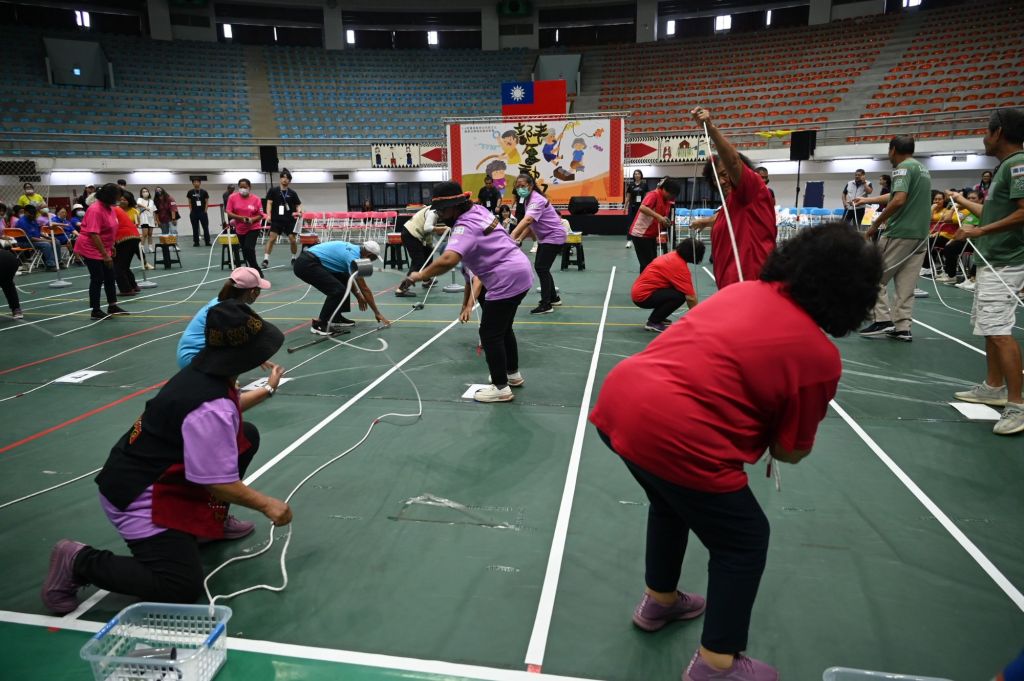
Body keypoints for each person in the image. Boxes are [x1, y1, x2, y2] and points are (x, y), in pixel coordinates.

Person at [589, 222, 883, 681]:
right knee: (744, 541)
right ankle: (716, 663)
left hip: (619, 405)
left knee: (668, 504)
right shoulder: (819, 358)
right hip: (678, 436)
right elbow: (789, 452)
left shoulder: (740, 292)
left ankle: (660, 601)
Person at [40, 301, 291, 613]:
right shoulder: (211, 403)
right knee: (179, 586)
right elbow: (219, 483)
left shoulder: (203, 376)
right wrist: (268, 504)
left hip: (151, 473)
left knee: (246, 436)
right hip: (139, 495)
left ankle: (206, 525)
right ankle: (78, 561)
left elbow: (224, 413)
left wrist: (267, 390)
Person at [404, 182, 533, 403]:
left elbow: (448, 259)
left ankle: (501, 388)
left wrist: (420, 275)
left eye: (442, 210)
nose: (440, 215)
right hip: (520, 272)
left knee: (490, 334)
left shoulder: (465, 225)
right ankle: (512, 375)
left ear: (455, 206)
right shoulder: (479, 210)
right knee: (503, 329)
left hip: (505, 279)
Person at [947, 107, 1024, 436]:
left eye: (986, 131)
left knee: (999, 331)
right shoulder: (1006, 167)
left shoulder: (1018, 164)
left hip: (1005, 261)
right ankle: (993, 387)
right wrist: (961, 201)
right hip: (994, 260)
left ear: (999, 132)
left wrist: (979, 231)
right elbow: (993, 213)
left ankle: (1017, 405)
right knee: (990, 328)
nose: (983, 137)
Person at [690, 108, 777, 288]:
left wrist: (710, 129)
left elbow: (733, 162)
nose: (721, 181)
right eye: (715, 178)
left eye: (724, 174)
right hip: (731, 286)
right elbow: (731, 218)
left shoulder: (752, 188)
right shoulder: (731, 202)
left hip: (751, 285)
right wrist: (706, 221)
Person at [859, 135, 931, 342]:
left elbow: (899, 199)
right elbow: (896, 195)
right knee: (906, 284)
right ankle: (902, 327)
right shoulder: (922, 170)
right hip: (920, 235)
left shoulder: (902, 168)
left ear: (892, 150)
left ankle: (882, 320)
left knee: (873, 275)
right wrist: (868, 199)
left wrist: (875, 224)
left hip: (900, 233)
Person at [177, 267, 272, 369]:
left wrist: (256, 357)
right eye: (258, 290)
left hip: (191, 355)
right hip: (194, 358)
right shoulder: (227, 311)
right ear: (253, 292)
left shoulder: (223, 302)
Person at [293, 239, 389, 334]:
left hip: (311, 261)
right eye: (373, 259)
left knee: (343, 282)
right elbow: (364, 288)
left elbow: (347, 278)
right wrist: (377, 313)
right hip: (306, 264)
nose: (371, 262)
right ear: (368, 255)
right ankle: (320, 324)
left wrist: (358, 296)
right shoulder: (354, 258)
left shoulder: (355, 249)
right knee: (337, 291)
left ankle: (335, 317)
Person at [510, 173, 567, 314]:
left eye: (523, 186)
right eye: (517, 186)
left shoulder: (536, 200)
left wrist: (512, 235)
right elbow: (531, 224)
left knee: (541, 268)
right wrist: (519, 239)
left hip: (554, 236)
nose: (520, 189)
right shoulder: (527, 200)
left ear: (530, 185)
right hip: (545, 237)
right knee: (543, 268)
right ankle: (553, 298)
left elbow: (528, 220)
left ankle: (546, 304)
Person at [74, 183, 129, 320]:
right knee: (97, 278)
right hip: (91, 247)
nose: (119, 198)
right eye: (117, 196)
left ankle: (112, 306)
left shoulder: (109, 208)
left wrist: (111, 246)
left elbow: (110, 229)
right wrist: (105, 254)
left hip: (104, 246)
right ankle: (96, 310)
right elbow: (94, 233)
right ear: (109, 195)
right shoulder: (95, 210)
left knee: (110, 277)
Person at [632, 240, 701, 333]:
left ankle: (659, 316)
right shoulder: (678, 266)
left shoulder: (673, 255)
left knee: (676, 290)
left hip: (641, 291)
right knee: (679, 296)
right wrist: (698, 319)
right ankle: (653, 322)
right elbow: (691, 298)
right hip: (643, 297)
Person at [629, 178, 680, 272]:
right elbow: (642, 208)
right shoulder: (653, 195)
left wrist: (665, 221)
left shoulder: (667, 200)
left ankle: (646, 281)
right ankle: (645, 281)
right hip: (641, 234)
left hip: (651, 235)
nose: (672, 197)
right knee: (647, 265)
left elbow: (662, 215)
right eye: (671, 194)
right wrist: (659, 217)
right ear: (664, 189)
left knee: (651, 263)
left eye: (674, 196)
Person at [395, 205, 446, 298]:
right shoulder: (433, 213)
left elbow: (428, 232)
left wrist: (430, 246)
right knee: (418, 263)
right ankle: (401, 289)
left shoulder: (435, 209)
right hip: (410, 235)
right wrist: (442, 228)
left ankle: (426, 280)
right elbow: (427, 228)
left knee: (428, 253)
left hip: (417, 235)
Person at [261, 169, 302, 269]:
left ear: (289, 181)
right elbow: (269, 203)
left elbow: (298, 205)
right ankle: (266, 259)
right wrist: (268, 215)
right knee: (272, 238)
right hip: (276, 220)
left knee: (292, 240)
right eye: (283, 177)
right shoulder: (273, 191)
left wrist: (299, 211)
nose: (285, 179)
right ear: (280, 179)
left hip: (289, 220)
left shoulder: (292, 193)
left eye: (287, 178)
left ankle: (293, 258)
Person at [225, 179, 267, 274]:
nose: (243, 189)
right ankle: (251, 270)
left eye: (245, 187)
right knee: (245, 251)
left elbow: (261, 214)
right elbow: (229, 212)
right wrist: (240, 218)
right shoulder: (232, 197)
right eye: (241, 187)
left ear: (249, 187)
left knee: (249, 248)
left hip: (253, 227)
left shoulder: (256, 199)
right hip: (240, 228)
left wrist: (252, 219)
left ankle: (257, 270)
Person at [113, 196, 142, 296]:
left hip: (123, 238)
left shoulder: (110, 210)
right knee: (124, 265)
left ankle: (126, 289)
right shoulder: (118, 209)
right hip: (134, 237)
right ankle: (133, 285)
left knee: (118, 266)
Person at [15, 205, 58, 271]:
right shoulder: (22, 222)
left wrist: (49, 238)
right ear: (25, 212)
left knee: (56, 241)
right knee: (46, 244)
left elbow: (38, 233)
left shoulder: (33, 219)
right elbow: (30, 238)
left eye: (34, 214)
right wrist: (45, 241)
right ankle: (50, 265)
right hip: (24, 242)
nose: (33, 215)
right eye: (31, 214)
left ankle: (58, 262)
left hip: (34, 241)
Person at [926, 190, 957, 282]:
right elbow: (926, 221)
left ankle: (926, 267)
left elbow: (944, 225)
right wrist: (932, 209)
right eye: (935, 199)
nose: (937, 201)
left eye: (939, 199)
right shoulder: (933, 210)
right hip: (931, 234)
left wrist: (937, 233)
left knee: (928, 242)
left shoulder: (946, 211)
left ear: (944, 200)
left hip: (944, 235)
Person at [625, 170, 648, 249]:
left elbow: (647, 196)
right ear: (634, 176)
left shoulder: (644, 185)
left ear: (641, 175)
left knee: (641, 223)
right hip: (632, 206)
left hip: (641, 207)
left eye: (638, 174)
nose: (636, 175)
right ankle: (629, 241)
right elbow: (628, 197)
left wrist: (647, 206)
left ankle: (641, 239)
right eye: (635, 174)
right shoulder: (631, 185)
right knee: (630, 223)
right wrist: (625, 207)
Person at [185, 177, 211, 247]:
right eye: (194, 182)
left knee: (205, 227)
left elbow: (206, 202)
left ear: (200, 183)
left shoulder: (204, 192)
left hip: (202, 212)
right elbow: (189, 202)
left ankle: (207, 241)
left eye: (197, 182)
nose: (196, 183)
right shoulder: (190, 192)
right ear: (193, 183)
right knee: (195, 228)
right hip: (194, 212)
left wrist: (205, 211)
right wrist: (191, 211)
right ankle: (196, 242)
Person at [0, 249, 23, 320]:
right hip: (10, 259)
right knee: (8, 284)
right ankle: (16, 309)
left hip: (6, 261)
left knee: (7, 284)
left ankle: (16, 309)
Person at [136, 188, 156, 257]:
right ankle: (142, 248)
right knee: (144, 234)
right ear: (141, 193)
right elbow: (138, 203)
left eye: (146, 191)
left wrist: (155, 220)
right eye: (143, 191)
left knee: (150, 234)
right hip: (144, 219)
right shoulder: (140, 199)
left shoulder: (151, 201)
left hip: (151, 219)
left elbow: (154, 211)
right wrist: (145, 207)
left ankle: (150, 248)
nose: (145, 192)